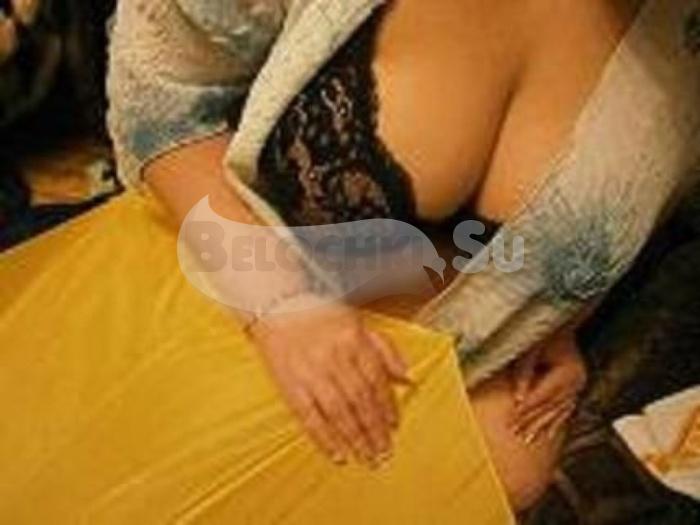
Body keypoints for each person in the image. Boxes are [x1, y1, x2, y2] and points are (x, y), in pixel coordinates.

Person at [0, 0, 698, 520]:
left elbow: (643, 198)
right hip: (189, 347)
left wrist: (554, 298)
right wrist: (281, 304)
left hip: (417, 454)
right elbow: (160, 101)